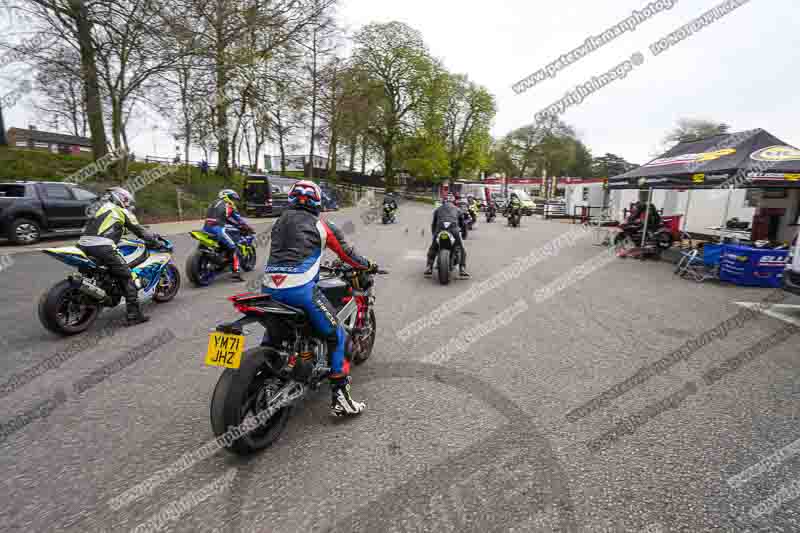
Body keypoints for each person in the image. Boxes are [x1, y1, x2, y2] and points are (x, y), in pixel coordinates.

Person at [262, 180, 375, 416]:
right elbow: (349, 255)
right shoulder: (323, 226)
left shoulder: (278, 224)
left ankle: (266, 368)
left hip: (269, 288)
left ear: (291, 199)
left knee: (276, 329)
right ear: (318, 202)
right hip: (299, 290)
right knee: (337, 335)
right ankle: (340, 400)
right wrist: (368, 265)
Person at [77, 187, 160, 326]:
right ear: (119, 198)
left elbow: (106, 226)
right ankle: (133, 315)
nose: (127, 204)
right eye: (126, 200)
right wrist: (155, 243)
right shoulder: (121, 211)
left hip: (82, 245)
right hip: (102, 247)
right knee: (128, 277)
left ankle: (101, 292)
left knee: (104, 271)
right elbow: (140, 231)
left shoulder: (99, 207)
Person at [203, 189, 250, 282]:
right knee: (234, 248)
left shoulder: (213, 203)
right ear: (227, 197)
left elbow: (223, 217)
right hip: (218, 228)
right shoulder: (228, 204)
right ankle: (236, 272)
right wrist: (247, 227)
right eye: (232, 198)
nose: (233, 201)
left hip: (206, 227)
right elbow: (238, 219)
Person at [424, 194, 469, 278]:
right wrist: (464, 234)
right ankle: (462, 269)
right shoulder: (457, 209)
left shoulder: (438, 209)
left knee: (433, 247)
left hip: (440, 230)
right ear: (454, 202)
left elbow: (433, 224)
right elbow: (463, 224)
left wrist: (434, 234)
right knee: (461, 248)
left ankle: (429, 267)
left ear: (443, 201)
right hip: (453, 230)